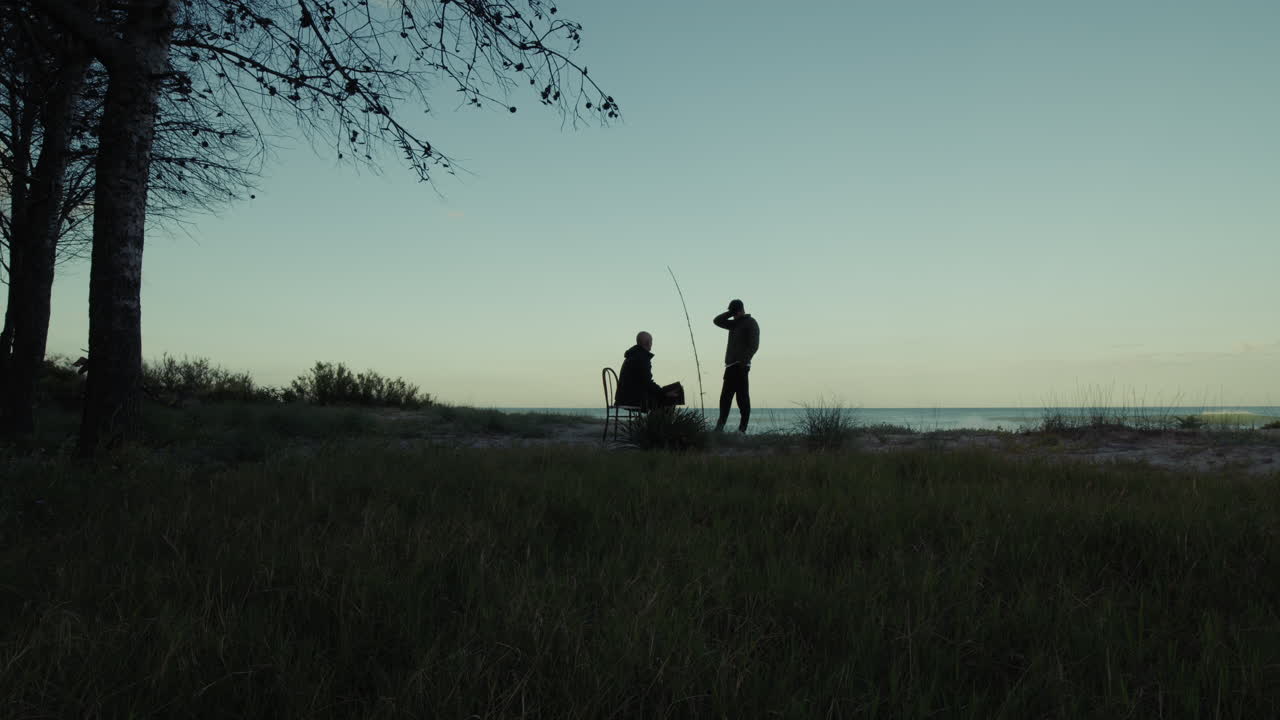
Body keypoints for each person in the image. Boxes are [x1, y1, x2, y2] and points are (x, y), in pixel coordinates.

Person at [713, 299, 760, 432]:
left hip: (741, 366)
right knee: (725, 399)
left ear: (741, 310)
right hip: (730, 367)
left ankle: (742, 430)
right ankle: (719, 428)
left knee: (742, 398)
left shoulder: (751, 322)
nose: (733, 315)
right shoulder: (734, 324)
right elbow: (717, 321)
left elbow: (754, 345)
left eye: (735, 312)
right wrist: (729, 313)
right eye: (732, 312)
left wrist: (743, 361)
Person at [615, 331, 681, 411]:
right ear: (648, 343)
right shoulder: (642, 358)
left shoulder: (632, 355)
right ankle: (659, 423)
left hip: (624, 397)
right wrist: (663, 393)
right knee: (671, 397)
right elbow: (647, 383)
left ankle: (656, 422)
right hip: (634, 399)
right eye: (651, 341)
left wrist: (662, 391)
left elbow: (643, 382)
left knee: (671, 390)